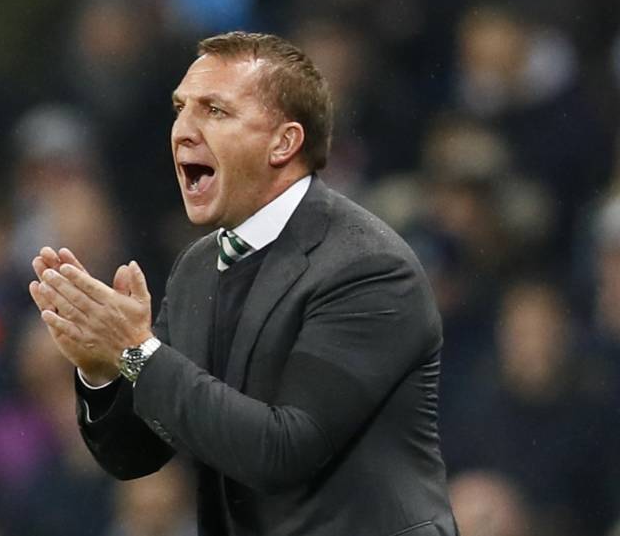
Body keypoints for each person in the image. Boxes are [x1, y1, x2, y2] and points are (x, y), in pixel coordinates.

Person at [29, 31, 458, 536]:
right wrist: (103, 368)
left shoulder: (368, 268)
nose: (182, 131)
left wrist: (137, 351)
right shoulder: (197, 269)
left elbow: (283, 451)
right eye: (180, 109)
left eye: (215, 111)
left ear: (284, 142)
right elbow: (135, 455)